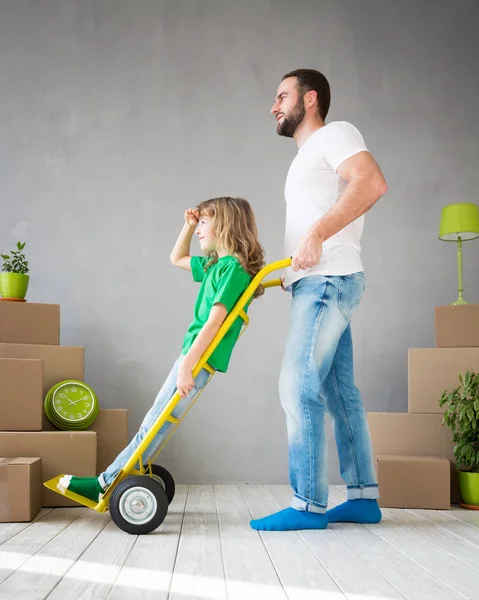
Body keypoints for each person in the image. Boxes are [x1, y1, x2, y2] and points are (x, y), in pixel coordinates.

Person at [250, 69, 388, 532]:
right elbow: (311, 231)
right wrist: (282, 274)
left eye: (281, 95)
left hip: (328, 282)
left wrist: (316, 236)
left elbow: (370, 183)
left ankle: (308, 504)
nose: (274, 105)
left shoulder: (335, 134)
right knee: (337, 391)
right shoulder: (305, 158)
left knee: (297, 384)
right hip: (321, 281)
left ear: (310, 99)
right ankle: (364, 497)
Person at [60, 197, 265, 502]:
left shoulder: (233, 269)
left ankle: (105, 483)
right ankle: (122, 475)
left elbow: (214, 323)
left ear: (225, 225)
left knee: (155, 422)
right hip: (193, 356)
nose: (199, 231)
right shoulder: (216, 265)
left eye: (205, 223)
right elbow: (176, 257)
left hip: (197, 358)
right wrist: (188, 224)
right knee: (158, 421)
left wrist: (187, 366)